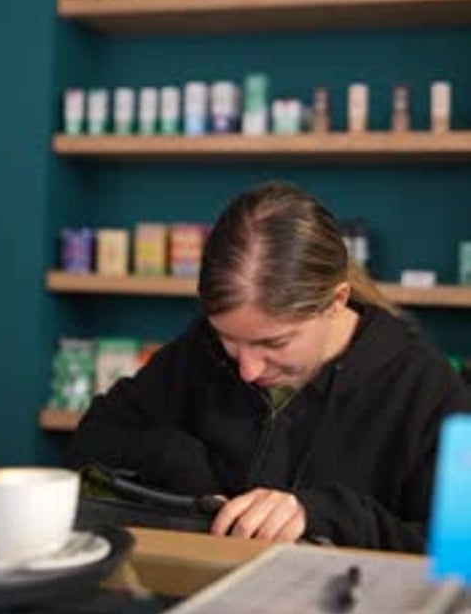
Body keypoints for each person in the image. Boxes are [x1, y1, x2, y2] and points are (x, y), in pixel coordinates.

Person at [68, 181, 471, 552]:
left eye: (273, 343)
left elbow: (458, 553)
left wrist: (322, 516)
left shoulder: (426, 390)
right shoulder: (199, 351)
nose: (247, 369)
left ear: (336, 301)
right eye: (229, 339)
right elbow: (95, 438)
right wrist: (181, 468)